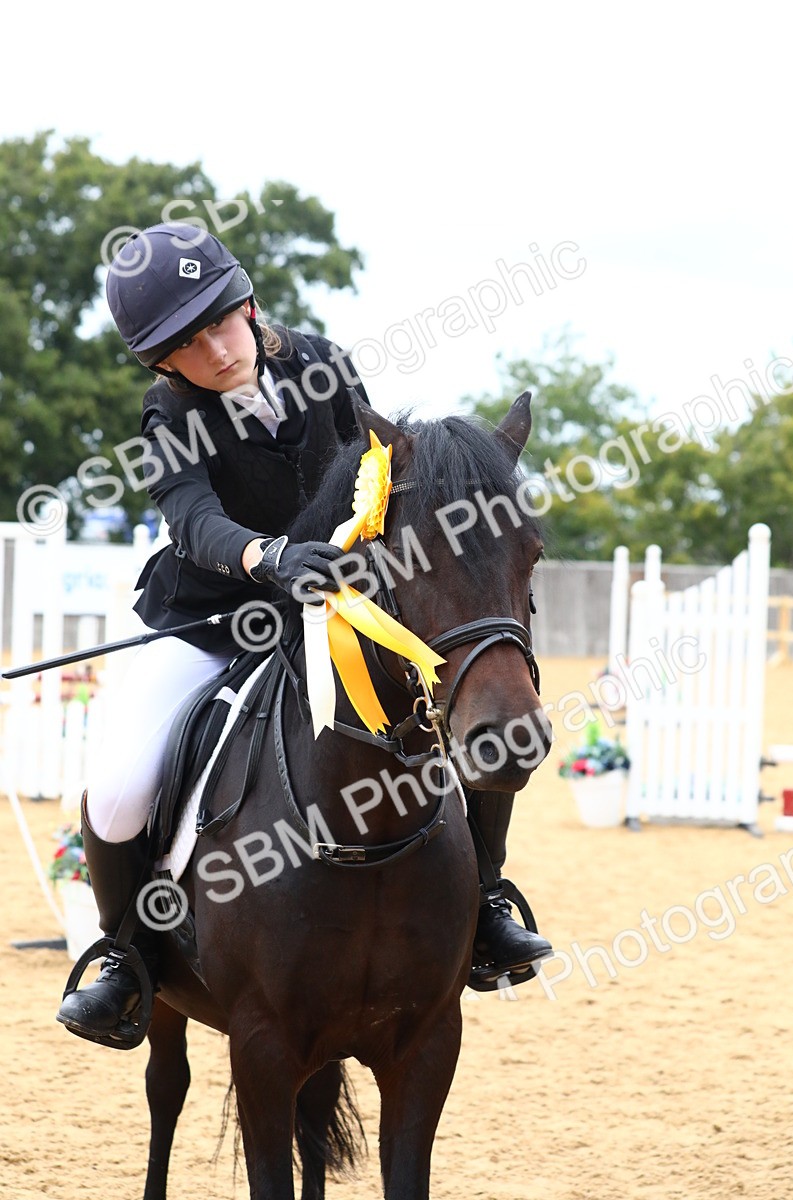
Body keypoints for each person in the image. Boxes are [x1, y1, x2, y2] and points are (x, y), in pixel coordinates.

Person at [56, 222, 552, 1046]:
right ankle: (128, 957)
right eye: (185, 345)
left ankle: (487, 902)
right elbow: (194, 523)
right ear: (161, 363)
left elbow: (370, 469)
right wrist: (272, 556)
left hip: (332, 603)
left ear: (248, 304)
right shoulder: (168, 412)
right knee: (117, 788)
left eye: (220, 322)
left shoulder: (320, 361)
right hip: (213, 618)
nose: (214, 351)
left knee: (463, 698)